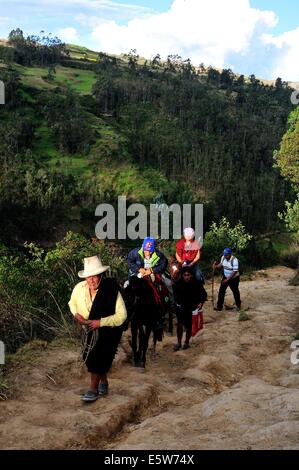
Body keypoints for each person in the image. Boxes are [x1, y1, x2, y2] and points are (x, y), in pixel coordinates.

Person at [69, 255, 127, 402]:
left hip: (109, 330)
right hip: (88, 329)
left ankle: (92, 389)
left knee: (98, 356)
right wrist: (76, 315)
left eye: (94, 277)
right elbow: (72, 303)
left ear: (101, 276)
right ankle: (104, 381)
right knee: (89, 355)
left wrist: (100, 322)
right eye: (88, 277)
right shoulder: (79, 289)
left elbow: (122, 315)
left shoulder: (111, 291)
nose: (91, 280)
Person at [173, 266, 207, 351]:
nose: (187, 277)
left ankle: (186, 342)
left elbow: (203, 294)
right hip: (181, 306)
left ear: (191, 275)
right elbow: (175, 295)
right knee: (180, 324)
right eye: (185, 275)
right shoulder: (178, 283)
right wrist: (177, 303)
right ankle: (179, 343)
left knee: (188, 325)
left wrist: (201, 302)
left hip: (192, 306)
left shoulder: (197, 283)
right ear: (182, 275)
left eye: (188, 275)